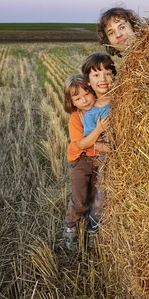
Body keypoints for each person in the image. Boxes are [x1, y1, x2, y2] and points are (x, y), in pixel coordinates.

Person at [62, 74, 109, 251]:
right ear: (72, 102)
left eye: (87, 94)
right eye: (78, 98)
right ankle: (70, 228)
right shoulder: (75, 118)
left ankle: (92, 227)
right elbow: (81, 144)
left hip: (96, 160)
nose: (84, 100)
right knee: (80, 198)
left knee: (95, 196)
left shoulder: (100, 109)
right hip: (79, 160)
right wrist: (98, 131)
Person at [81, 52, 117, 240]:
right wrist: (116, 150)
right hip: (107, 162)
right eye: (96, 74)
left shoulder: (124, 98)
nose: (103, 78)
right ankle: (93, 226)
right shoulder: (92, 114)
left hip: (130, 163)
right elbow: (92, 143)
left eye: (107, 73)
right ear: (88, 81)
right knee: (101, 198)